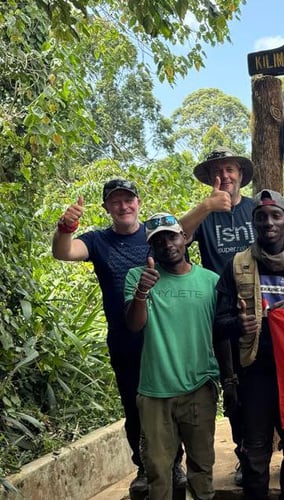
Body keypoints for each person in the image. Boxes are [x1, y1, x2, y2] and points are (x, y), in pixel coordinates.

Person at [51, 179, 186, 493]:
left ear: (138, 202)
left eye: (128, 200)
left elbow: (183, 236)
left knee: (171, 405)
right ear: (106, 208)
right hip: (125, 341)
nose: (123, 206)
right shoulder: (98, 241)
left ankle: (175, 464)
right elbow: (64, 252)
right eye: (115, 202)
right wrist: (65, 227)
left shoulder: (155, 235)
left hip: (165, 338)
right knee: (134, 406)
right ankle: (143, 467)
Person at [213, 189, 284, 499]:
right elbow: (218, 324)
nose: (268, 223)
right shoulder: (236, 265)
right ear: (253, 223)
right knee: (254, 455)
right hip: (255, 374)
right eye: (261, 217)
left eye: (275, 216)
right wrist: (238, 324)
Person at [124, 213, 220, 500]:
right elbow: (133, 324)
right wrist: (143, 291)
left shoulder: (210, 281)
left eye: (172, 236)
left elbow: (221, 333)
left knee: (202, 468)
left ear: (185, 238)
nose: (167, 244)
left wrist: (228, 379)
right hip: (155, 392)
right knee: (158, 470)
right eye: (159, 240)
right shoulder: (137, 277)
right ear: (151, 247)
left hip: (199, 388)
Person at [180, 147, 256, 485]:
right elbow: (174, 237)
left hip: (261, 309)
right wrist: (205, 207)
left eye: (230, 169)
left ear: (240, 173)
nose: (224, 176)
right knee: (233, 385)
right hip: (221, 314)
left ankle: (272, 445)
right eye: (218, 171)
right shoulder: (205, 214)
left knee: (266, 380)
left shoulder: (257, 209)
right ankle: (244, 453)